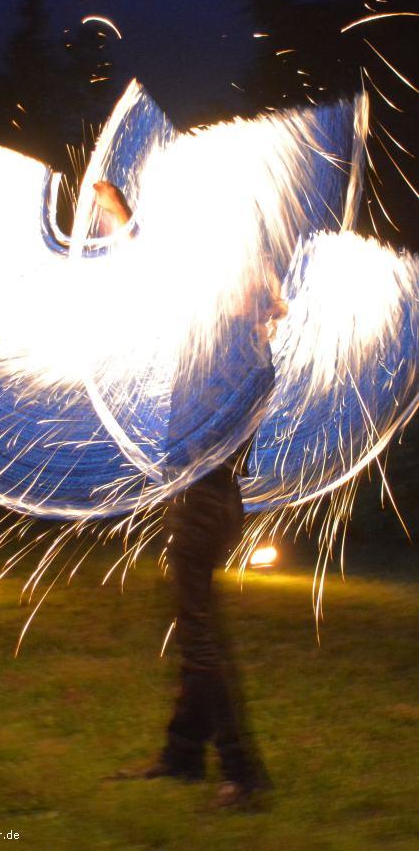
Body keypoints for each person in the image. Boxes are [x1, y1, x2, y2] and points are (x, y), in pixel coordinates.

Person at [93, 179, 286, 808]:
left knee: (200, 633)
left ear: (246, 295)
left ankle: (243, 774)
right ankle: (182, 755)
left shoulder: (231, 347)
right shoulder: (251, 350)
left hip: (205, 500)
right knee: (192, 622)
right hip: (209, 500)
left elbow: (158, 283)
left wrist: (122, 222)